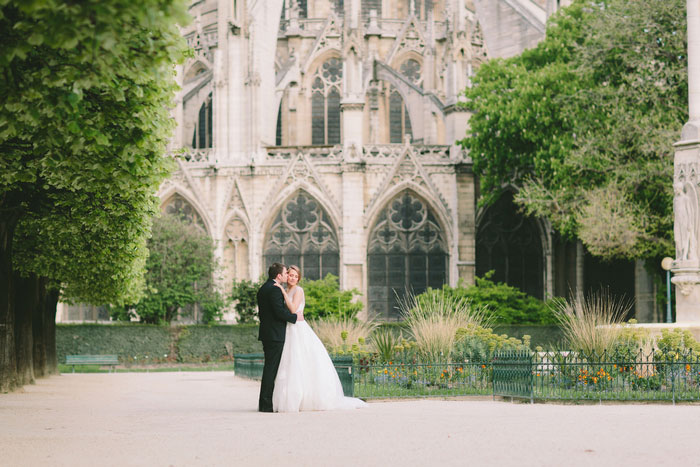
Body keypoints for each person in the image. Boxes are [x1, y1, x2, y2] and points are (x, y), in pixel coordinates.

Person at [272, 265, 366, 412]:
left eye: (296, 276)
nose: (293, 278)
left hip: (298, 328)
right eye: (290, 275)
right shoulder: (289, 290)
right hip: (289, 328)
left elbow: (293, 309)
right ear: (286, 276)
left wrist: (282, 292)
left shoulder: (298, 290)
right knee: (291, 362)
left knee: (301, 360)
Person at [257, 263, 301, 413]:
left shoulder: (263, 288)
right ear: (279, 276)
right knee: (271, 370)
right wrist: (295, 317)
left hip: (267, 333)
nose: (287, 276)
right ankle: (266, 405)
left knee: (269, 368)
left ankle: (264, 403)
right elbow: (279, 312)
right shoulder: (275, 289)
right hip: (275, 335)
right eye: (285, 273)